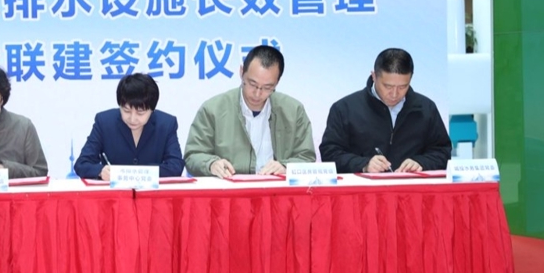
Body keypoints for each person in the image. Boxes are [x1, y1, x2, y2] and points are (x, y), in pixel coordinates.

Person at [183, 45, 315, 178]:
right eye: (252, 84)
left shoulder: (294, 111)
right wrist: (211, 164)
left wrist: (286, 167)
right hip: (230, 189)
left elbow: (307, 158)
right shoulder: (213, 109)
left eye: (267, 87)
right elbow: (192, 155)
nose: (257, 93)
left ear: (277, 82)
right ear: (241, 72)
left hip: (276, 189)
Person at [319, 48, 452, 173]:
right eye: (388, 86)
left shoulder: (426, 108)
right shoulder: (344, 108)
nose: (394, 94)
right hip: (363, 189)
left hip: (411, 188)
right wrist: (363, 165)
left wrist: (422, 162)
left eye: (402, 87)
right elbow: (329, 153)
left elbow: (443, 152)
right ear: (374, 76)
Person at [74, 72, 184, 180]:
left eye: (140, 113)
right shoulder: (104, 122)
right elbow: (82, 164)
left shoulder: (166, 124)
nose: (132, 119)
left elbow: (176, 166)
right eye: (126, 111)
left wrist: (139, 174)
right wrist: (100, 171)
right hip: (114, 192)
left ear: (152, 110)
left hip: (152, 191)